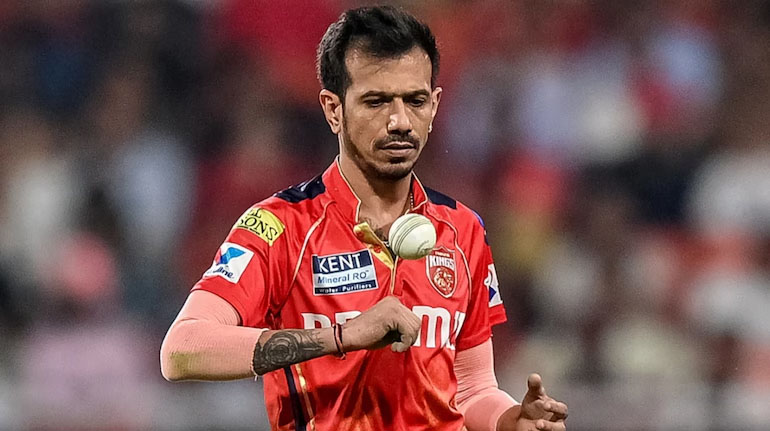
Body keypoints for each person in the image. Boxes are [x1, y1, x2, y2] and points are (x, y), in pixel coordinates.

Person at [160, 6, 568, 431]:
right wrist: (342, 337)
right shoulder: (280, 227)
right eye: (376, 101)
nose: (400, 122)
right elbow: (181, 350)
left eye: (415, 101)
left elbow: (471, 387)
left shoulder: (463, 230)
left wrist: (511, 420)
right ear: (333, 109)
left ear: (435, 105)